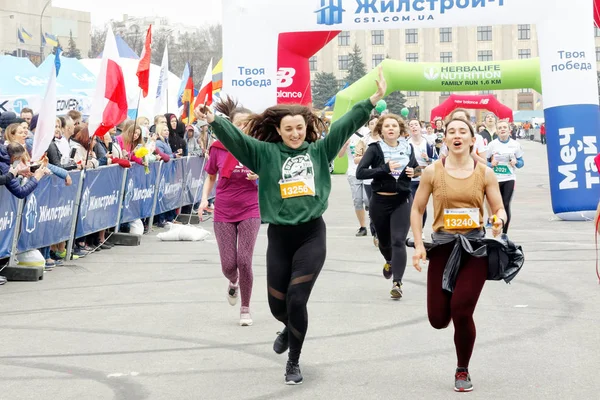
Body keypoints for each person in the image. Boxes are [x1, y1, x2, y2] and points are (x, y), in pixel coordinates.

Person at [195, 67, 387, 385]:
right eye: (289, 129)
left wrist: (371, 101)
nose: (296, 133)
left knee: (297, 299)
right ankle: (288, 326)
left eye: (300, 127)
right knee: (276, 305)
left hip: (312, 233)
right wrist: (215, 121)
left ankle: (293, 361)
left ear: (306, 128)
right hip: (280, 237)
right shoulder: (266, 154)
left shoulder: (319, 150)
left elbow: (343, 125)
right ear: (280, 131)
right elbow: (239, 141)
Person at [410, 117, 508, 393]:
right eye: (451, 131)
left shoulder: (485, 173)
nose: (457, 135)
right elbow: (417, 210)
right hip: (442, 247)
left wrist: (498, 219)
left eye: (462, 131)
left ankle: (462, 368)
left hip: (474, 248)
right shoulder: (432, 172)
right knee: (438, 319)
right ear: (444, 139)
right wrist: (419, 245)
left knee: (462, 311)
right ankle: (450, 307)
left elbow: (499, 209)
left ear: (472, 139)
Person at [199, 98, 260, 327]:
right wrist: (205, 199)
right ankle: (232, 281)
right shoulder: (218, 148)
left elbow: (271, 173)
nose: (244, 128)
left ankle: (245, 308)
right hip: (224, 209)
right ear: (230, 125)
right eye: (240, 124)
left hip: (250, 208)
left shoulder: (257, 147)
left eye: (248, 124)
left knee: (244, 260)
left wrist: (260, 176)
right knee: (228, 265)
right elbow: (211, 177)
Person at [356, 113, 419, 299]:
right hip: (380, 201)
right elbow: (361, 173)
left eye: (394, 126)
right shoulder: (375, 149)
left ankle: (397, 283)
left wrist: (413, 171)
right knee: (384, 242)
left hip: (402, 199)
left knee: (398, 240)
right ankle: (389, 261)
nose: (391, 128)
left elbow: (417, 168)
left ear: (400, 129)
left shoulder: (407, 147)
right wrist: (384, 169)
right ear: (381, 131)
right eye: (386, 126)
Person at [486, 120, 524, 233]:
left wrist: (515, 162)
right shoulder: (492, 145)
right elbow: (484, 162)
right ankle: (496, 226)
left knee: (506, 204)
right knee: (495, 205)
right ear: (497, 131)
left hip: (509, 178)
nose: (502, 129)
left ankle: (504, 233)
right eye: (500, 128)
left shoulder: (515, 145)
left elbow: (521, 163)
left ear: (509, 130)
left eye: (504, 127)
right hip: (494, 179)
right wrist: (490, 164)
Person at [338, 126, 369, 237]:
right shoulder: (347, 133)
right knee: (357, 200)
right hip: (353, 172)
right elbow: (340, 155)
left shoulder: (368, 132)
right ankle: (363, 227)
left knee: (367, 199)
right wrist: (345, 144)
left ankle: (374, 219)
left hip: (367, 171)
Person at [354, 115, 380, 247]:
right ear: (368, 126)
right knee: (373, 206)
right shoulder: (364, 140)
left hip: (384, 177)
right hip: (369, 179)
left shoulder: (386, 139)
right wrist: (369, 156)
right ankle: (375, 232)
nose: (374, 125)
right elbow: (356, 160)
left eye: (377, 122)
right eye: (372, 123)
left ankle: (384, 232)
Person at [408, 118, 436, 233]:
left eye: (416, 125)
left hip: (425, 178)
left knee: (422, 206)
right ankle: (417, 230)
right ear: (409, 129)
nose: (414, 127)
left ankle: (421, 229)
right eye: (411, 125)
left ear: (420, 127)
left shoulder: (428, 143)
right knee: (414, 204)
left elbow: (436, 160)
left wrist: (428, 159)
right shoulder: (406, 143)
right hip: (411, 178)